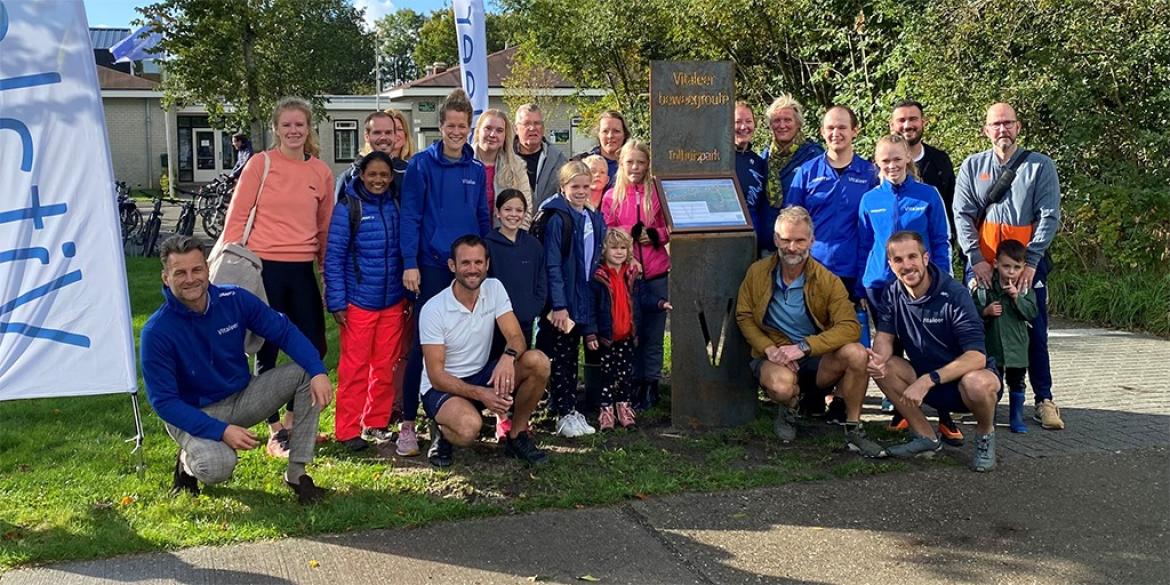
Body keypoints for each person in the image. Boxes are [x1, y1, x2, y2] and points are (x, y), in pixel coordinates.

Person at [141, 235, 332, 503]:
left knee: (304, 374)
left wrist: (318, 370)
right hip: (193, 411)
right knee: (218, 466)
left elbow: (284, 331)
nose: (190, 279)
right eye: (179, 273)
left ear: (208, 269)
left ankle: (297, 474)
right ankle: (186, 463)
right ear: (165, 278)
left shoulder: (234, 299)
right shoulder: (157, 331)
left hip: (241, 396)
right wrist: (221, 431)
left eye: (197, 269)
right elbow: (164, 403)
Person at [221, 97, 334, 459]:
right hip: (262, 268)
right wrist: (231, 259)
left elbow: (325, 227)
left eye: (299, 124)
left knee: (314, 346)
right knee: (265, 348)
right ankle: (273, 431)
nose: (294, 131)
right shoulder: (261, 164)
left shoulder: (320, 172)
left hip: (301, 269)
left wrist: (323, 269)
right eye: (287, 125)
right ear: (276, 129)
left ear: (308, 128)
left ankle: (291, 421)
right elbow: (237, 216)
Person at [735, 207, 884, 456]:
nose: (792, 247)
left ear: (812, 241)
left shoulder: (827, 280)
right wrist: (770, 349)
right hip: (775, 356)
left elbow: (849, 326)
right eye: (785, 239)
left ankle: (853, 427)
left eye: (800, 240)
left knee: (857, 353)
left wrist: (803, 347)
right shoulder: (757, 273)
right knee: (781, 387)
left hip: (815, 357)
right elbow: (744, 315)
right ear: (775, 239)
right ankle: (791, 407)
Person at [953, 102, 1064, 430]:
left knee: (1034, 329)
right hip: (984, 265)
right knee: (976, 329)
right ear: (986, 130)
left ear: (1018, 127)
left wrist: (1031, 261)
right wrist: (976, 260)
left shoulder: (1040, 166)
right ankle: (975, 395)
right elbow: (962, 215)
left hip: (1024, 267)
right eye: (996, 124)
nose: (1002, 129)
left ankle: (1043, 399)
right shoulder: (972, 167)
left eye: (1008, 123)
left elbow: (1049, 215)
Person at [399, 88, 492, 456]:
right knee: (423, 347)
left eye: (462, 126)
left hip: (469, 269)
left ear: (469, 128)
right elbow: (411, 216)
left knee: (464, 345)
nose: (456, 131)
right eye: (450, 125)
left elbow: (483, 218)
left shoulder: (475, 170)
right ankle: (408, 422)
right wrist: (410, 262)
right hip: (433, 267)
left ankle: (446, 419)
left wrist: (486, 261)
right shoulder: (422, 165)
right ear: (440, 126)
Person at [867, 231, 1002, 472]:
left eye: (912, 257)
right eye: (898, 260)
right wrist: (876, 358)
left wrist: (929, 380)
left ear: (926, 258)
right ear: (890, 264)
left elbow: (977, 356)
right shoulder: (892, 292)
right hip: (924, 378)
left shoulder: (955, 294)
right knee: (884, 367)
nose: (907, 265)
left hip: (963, 381)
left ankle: (985, 435)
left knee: (979, 383)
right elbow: (885, 338)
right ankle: (926, 438)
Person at [858, 134, 961, 443]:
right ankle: (903, 410)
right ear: (877, 163)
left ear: (908, 159)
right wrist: (860, 288)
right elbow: (864, 245)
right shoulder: (869, 200)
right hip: (880, 286)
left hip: (922, 286)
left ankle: (944, 415)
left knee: (930, 348)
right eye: (885, 160)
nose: (892, 165)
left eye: (897, 158)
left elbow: (942, 241)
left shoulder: (928, 195)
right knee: (891, 349)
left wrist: (942, 282)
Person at [420, 235, 552, 468]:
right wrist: (482, 394)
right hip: (442, 385)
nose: (473, 269)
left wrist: (507, 358)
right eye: (466, 263)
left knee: (538, 362)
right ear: (452, 266)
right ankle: (441, 429)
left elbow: (516, 338)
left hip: (482, 373)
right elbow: (436, 376)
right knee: (469, 428)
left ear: (487, 265)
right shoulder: (433, 310)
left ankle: (517, 435)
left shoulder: (494, 288)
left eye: (478, 263)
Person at [323, 151, 409, 452]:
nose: (378, 180)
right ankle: (347, 430)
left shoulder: (397, 205)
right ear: (361, 175)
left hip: (393, 301)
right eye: (373, 174)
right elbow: (333, 257)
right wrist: (336, 301)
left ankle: (375, 422)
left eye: (384, 175)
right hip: (359, 301)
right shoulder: (348, 207)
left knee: (385, 365)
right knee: (354, 368)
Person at [536, 161, 606, 437]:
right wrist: (559, 305)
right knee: (562, 357)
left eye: (585, 186)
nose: (580, 191)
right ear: (563, 188)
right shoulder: (558, 219)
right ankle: (564, 412)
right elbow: (553, 264)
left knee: (571, 356)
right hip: (562, 302)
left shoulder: (590, 216)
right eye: (574, 186)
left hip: (582, 297)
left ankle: (566, 406)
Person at [601, 140, 671, 411]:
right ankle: (629, 383)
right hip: (626, 275)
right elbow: (607, 231)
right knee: (630, 332)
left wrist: (653, 235)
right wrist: (630, 234)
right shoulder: (611, 196)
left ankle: (651, 384)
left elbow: (668, 226)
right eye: (630, 162)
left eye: (641, 162)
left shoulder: (656, 193)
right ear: (622, 164)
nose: (636, 167)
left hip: (655, 271)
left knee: (654, 334)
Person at [785, 105, 878, 298]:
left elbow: (874, 229)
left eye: (842, 127)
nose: (836, 133)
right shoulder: (807, 172)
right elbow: (790, 223)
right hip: (812, 268)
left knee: (848, 327)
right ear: (822, 132)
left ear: (855, 131)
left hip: (852, 271)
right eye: (830, 128)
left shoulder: (870, 174)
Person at [586, 228, 669, 430]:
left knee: (625, 375)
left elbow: (643, 299)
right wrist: (590, 332)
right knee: (606, 375)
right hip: (606, 337)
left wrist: (660, 303)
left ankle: (624, 408)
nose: (619, 252)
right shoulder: (598, 278)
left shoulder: (632, 276)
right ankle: (606, 411)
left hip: (627, 336)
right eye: (614, 248)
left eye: (623, 248)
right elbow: (590, 308)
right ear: (604, 250)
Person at [485, 188, 548, 440]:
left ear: (525, 214)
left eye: (518, 210)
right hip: (493, 324)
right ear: (498, 213)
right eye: (508, 209)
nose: (513, 214)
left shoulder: (532, 245)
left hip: (523, 320)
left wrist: (533, 308)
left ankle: (520, 418)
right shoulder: (488, 244)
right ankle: (501, 418)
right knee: (498, 369)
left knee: (520, 368)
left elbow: (541, 281)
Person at [972, 239, 1039, 433]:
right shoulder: (985, 287)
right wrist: (986, 311)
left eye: (1016, 267)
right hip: (993, 347)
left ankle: (1016, 417)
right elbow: (971, 313)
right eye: (1006, 266)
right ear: (996, 264)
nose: (1011, 272)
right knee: (993, 381)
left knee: (1017, 382)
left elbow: (1032, 312)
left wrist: (1017, 298)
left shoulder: (1025, 288)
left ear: (1023, 267)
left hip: (1017, 348)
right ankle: (989, 415)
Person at [759, 95, 824, 254]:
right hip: (769, 245)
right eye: (776, 120)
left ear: (798, 123)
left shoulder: (813, 155)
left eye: (787, 120)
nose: (782, 125)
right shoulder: (764, 157)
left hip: (801, 246)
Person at [889, 100, 957, 241]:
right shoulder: (879, 166)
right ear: (892, 125)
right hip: (890, 252)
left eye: (913, 119)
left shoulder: (940, 161)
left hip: (931, 252)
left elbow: (952, 206)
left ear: (923, 122)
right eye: (901, 120)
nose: (907, 125)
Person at [334, 110, 414, 201]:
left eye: (388, 132)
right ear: (367, 137)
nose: (383, 137)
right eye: (377, 132)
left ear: (394, 136)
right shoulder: (349, 177)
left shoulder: (409, 175)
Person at [474, 108, 533, 225]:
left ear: (505, 136)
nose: (492, 134)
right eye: (488, 128)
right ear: (478, 131)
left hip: (504, 240)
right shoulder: (461, 163)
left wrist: (511, 241)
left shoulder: (517, 167)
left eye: (499, 130)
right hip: (467, 240)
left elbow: (526, 211)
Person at [514, 103, 568, 209]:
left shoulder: (559, 160)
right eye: (527, 123)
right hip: (512, 224)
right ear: (516, 128)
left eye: (537, 123)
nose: (532, 128)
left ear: (543, 128)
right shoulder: (505, 159)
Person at [733, 102, 768, 253]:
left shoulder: (760, 162)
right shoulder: (717, 160)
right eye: (737, 122)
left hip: (755, 244)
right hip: (726, 240)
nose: (743, 127)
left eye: (748, 121)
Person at [574, 110, 630, 191]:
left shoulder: (633, 165)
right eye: (605, 131)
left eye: (616, 131)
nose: (610, 136)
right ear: (598, 134)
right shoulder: (582, 165)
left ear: (624, 135)